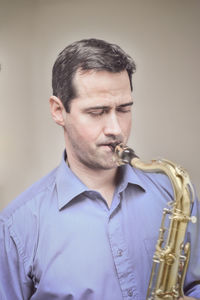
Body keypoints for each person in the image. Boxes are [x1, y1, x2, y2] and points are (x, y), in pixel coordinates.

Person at [0, 38, 199, 300]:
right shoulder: (16, 227)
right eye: (98, 111)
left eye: (124, 109)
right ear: (59, 111)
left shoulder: (173, 194)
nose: (116, 129)